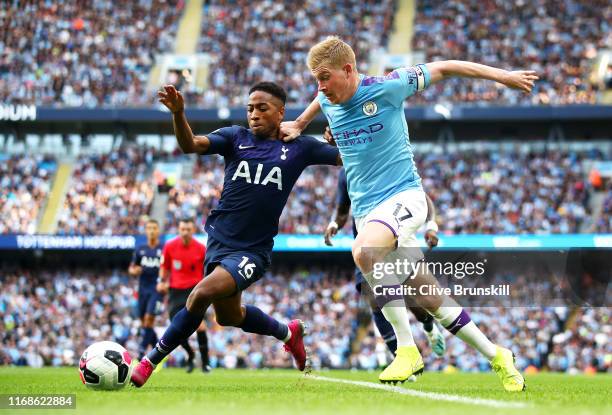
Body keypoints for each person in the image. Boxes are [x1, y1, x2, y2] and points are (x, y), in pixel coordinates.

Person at [282, 36, 537, 390]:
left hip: (405, 197)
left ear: (349, 69)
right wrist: (297, 124)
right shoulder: (327, 98)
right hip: (369, 212)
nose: (320, 86)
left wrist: (504, 77)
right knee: (432, 299)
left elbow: (447, 66)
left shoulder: (389, 87)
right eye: (316, 80)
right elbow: (319, 100)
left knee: (363, 251)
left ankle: (406, 350)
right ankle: (498, 355)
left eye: (324, 77)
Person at [131, 81, 342, 387]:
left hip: (253, 250)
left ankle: (149, 362)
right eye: (250, 108)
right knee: (229, 317)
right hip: (218, 243)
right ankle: (288, 333)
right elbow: (190, 145)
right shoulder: (234, 137)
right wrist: (179, 113)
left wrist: (341, 138)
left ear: (281, 112)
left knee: (200, 293)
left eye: (262, 108)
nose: (253, 114)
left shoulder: (299, 148)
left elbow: (345, 158)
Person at [324, 166, 445, 360]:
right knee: (375, 299)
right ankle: (402, 357)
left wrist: (431, 226)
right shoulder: (347, 172)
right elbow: (342, 208)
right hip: (367, 248)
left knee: (412, 300)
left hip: (396, 241)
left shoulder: (386, 161)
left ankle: (429, 326)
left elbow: (421, 197)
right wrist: (334, 224)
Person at [157, 217, 211, 373]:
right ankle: (190, 354)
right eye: (182, 229)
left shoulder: (201, 248)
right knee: (176, 327)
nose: (185, 232)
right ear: (179, 229)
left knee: (200, 327)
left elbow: (207, 271)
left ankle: (206, 363)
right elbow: (165, 267)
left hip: (195, 290)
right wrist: (161, 281)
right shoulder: (170, 246)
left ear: (193, 230)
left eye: (188, 229)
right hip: (175, 291)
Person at [128, 219, 164, 359]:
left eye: (154, 228)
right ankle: (158, 350)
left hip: (157, 289)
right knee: (144, 322)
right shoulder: (140, 249)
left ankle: (141, 353)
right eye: (149, 228)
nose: (151, 231)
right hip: (142, 289)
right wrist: (133, 271)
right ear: (146, 230)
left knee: (149, 319)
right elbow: (132, 267)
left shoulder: (164, 249)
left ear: (158, 230)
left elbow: (168, 269)